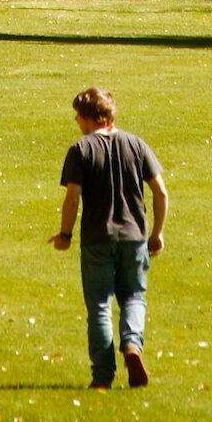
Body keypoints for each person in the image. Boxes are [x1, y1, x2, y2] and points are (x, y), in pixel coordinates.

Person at [50, 86, 168, 391]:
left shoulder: (81, 149)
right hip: (134, 236)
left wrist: (65, 234)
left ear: (89, 117)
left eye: (78, 115)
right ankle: (132, 345)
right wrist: (156, 232)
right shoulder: (137, 144)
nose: (76, 121)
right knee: (134, 296)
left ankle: (102, 375)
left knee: (100, 305)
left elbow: (72, 199)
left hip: (97, 238)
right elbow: (160, 192)